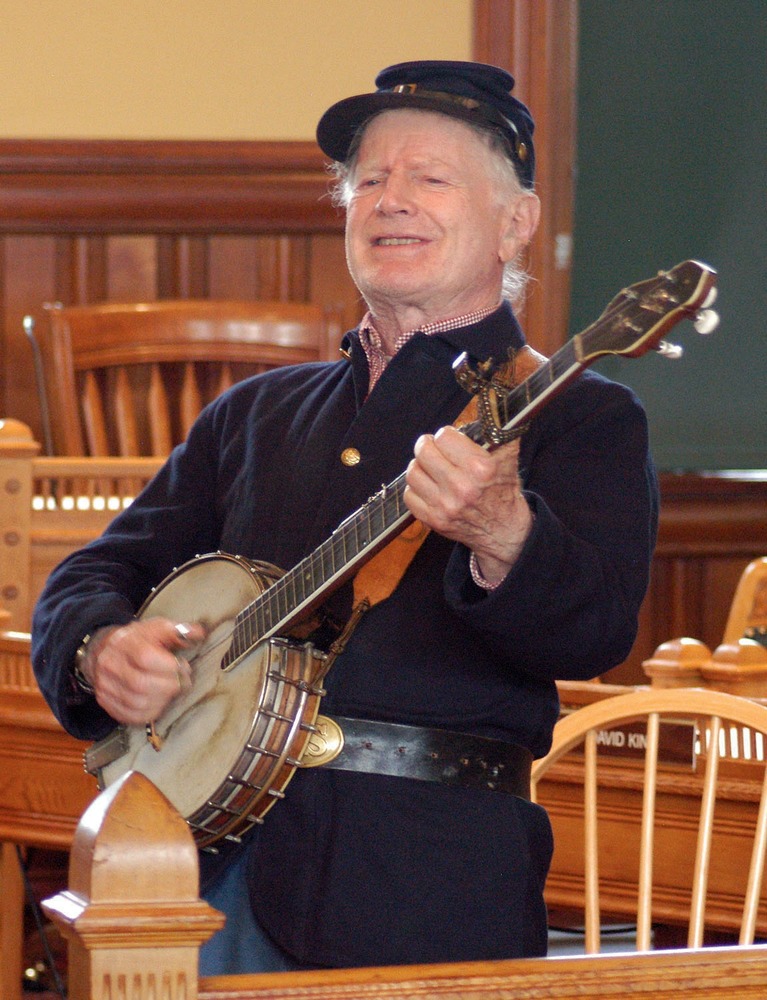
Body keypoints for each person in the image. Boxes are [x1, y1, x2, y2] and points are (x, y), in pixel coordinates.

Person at [31, 61, 659, 974]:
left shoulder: (582, 414)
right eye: (370, 180)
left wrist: (501, 534)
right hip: (191, 872)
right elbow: (91, 577)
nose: (391, 201)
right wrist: (99, 650)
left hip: (422, 886)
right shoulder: (253, 413)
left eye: (431, 179)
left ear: (514, 224)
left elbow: (595, 630)